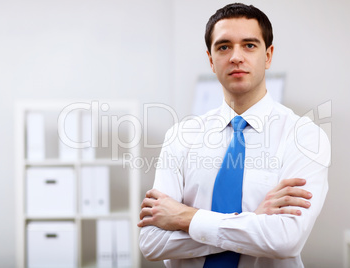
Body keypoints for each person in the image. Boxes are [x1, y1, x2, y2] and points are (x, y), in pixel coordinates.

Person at [138, 3, 330, 268]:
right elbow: (151, 242)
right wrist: (251, 221)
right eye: (224, 46)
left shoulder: (305, 137)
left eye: (249, 45)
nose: (236, 57)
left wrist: (184, 217)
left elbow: (286, 240)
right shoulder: (181, 135)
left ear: (268, 55)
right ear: (211, 60)